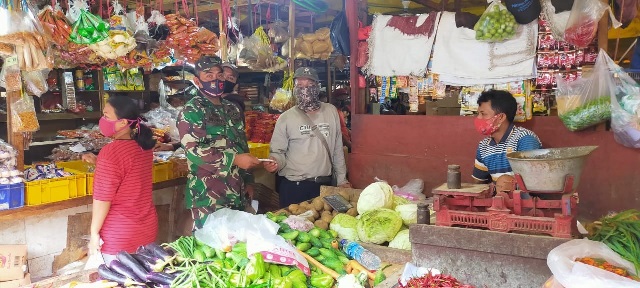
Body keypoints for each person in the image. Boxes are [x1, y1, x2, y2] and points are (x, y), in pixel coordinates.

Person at [177, 55, 260, 231]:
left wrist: (249, 180)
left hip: (237, 191)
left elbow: (241, 145)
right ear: (197, 81)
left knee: (237, 246)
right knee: (212, 247)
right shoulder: (192, 110)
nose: (215, 78)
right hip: (209, 195)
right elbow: (195, 151)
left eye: (219, 74)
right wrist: (235, 160)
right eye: (208, 75)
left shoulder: (232, 109)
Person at [264, 67, 350, 208]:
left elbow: (337, 150)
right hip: (295, 187)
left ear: (317, 87)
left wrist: (342, 180)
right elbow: (277, 153)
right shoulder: (285, 118)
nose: (305, 90)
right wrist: (274, 163)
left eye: (310, 85)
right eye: (300, 86)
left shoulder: (330, 111)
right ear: (294, 89)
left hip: (325, 186)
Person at [86, 96, 158, 264]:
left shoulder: (110, 152)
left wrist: (94, 233)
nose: (102, 120)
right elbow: (129, 174)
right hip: (147, 228)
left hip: (119, 235)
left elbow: (103, 199)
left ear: (122, 123)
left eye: (106, 116)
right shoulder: (144, 147)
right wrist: (99, 163)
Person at [472, 90, 542, 184]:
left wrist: (506, 183)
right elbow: (478, 183)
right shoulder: (484, 146)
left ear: (500, 117)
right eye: (478, 114)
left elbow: (533, 180)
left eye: (483, 114)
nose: (479, 118)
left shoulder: (525, 139)